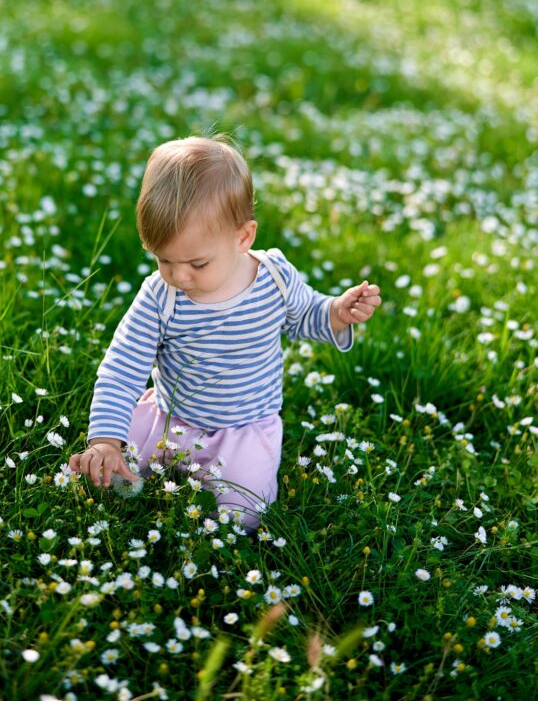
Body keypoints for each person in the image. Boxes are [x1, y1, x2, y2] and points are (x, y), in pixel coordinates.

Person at [68, 134, 381, 527]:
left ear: (243, 237)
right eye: (164, 259)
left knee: (245, 515)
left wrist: (336, 311)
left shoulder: (274, 278)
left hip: (244, 430)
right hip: (168, 419)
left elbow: (304, 315)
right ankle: (119, 459)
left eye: (196, 264)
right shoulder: (159, 296)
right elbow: (121, 369)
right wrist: (105, 441)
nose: (179, 276)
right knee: (111, 477)